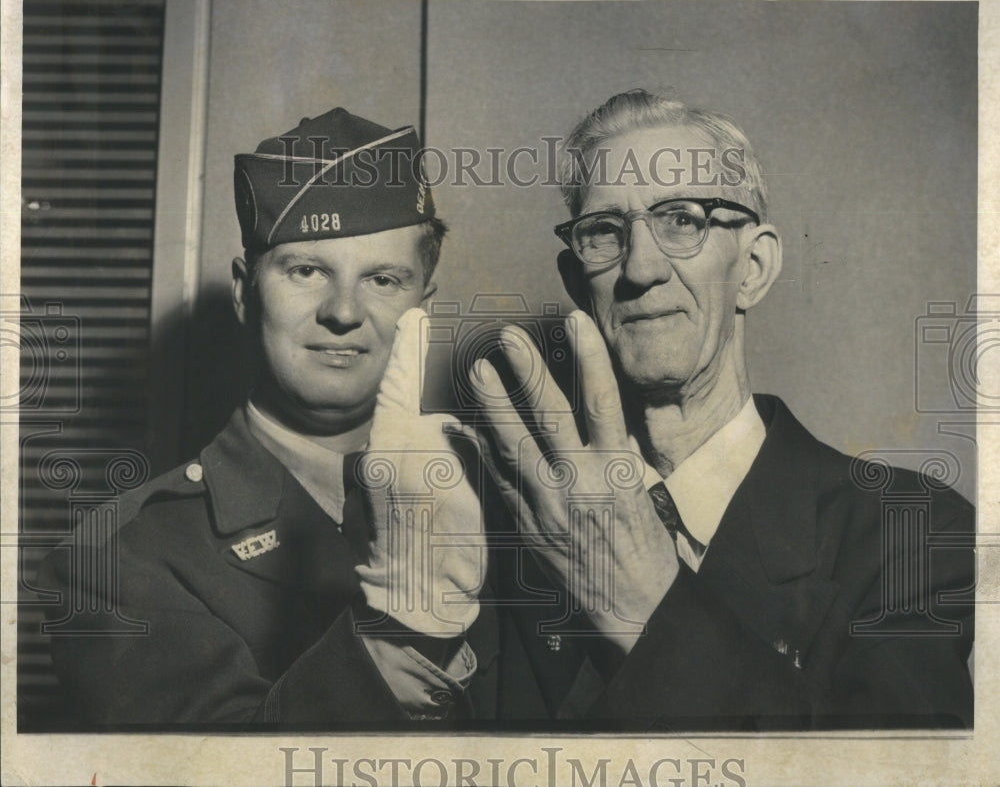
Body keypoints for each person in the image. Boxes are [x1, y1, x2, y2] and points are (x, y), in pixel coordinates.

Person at [468, 89, 975, 729]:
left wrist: (649, 597)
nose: (641, 267)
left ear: (754, 267)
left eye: (682, 220)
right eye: (605, 231)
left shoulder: (911, 534)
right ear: (579, 284)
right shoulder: (510, 528)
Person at [38, 107, 489, 726]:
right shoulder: (121, 556)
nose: (343, 311)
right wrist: (405, 635)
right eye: (307, 271)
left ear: (423, 309)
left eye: (383, 279)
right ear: (246, 291)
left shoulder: (506, 504)